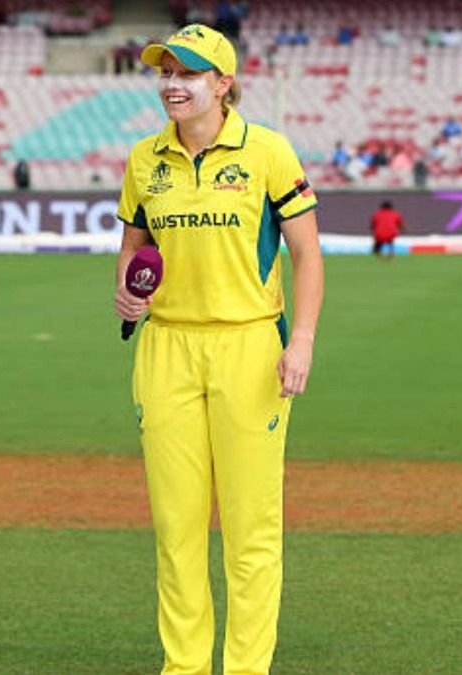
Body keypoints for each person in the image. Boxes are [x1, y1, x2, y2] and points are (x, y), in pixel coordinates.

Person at [114, 24, 323, 675]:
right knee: (175, 529)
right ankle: (184, 665)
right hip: (167, 348)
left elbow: (307, 253)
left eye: (189, 74)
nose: (172, 86)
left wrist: (304, 341)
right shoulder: (145, 158)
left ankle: (245, 667)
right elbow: (135, 250)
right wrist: (127, 293)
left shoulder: (267, 151)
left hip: (250, 346)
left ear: (223, 84)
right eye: (166, 73)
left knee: (249, 529)